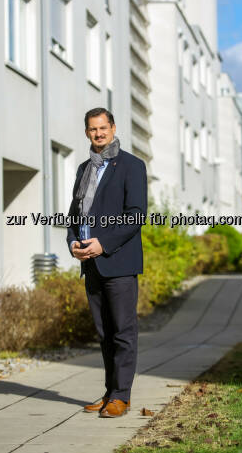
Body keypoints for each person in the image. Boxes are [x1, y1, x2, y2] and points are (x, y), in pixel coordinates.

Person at [66, 107, 147, 418]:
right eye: (92, 129)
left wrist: (104, 243)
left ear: (113, 128)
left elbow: (136, 215)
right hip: (90, 262)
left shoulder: (131, 166)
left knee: (123, 332)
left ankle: (121, 397)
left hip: (118, 261)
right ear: (87, 132)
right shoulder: (84, 169)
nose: (98, 134)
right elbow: (74, 216)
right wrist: (73, 242)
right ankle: (110, 391)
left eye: (103, 128)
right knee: (104, 332)